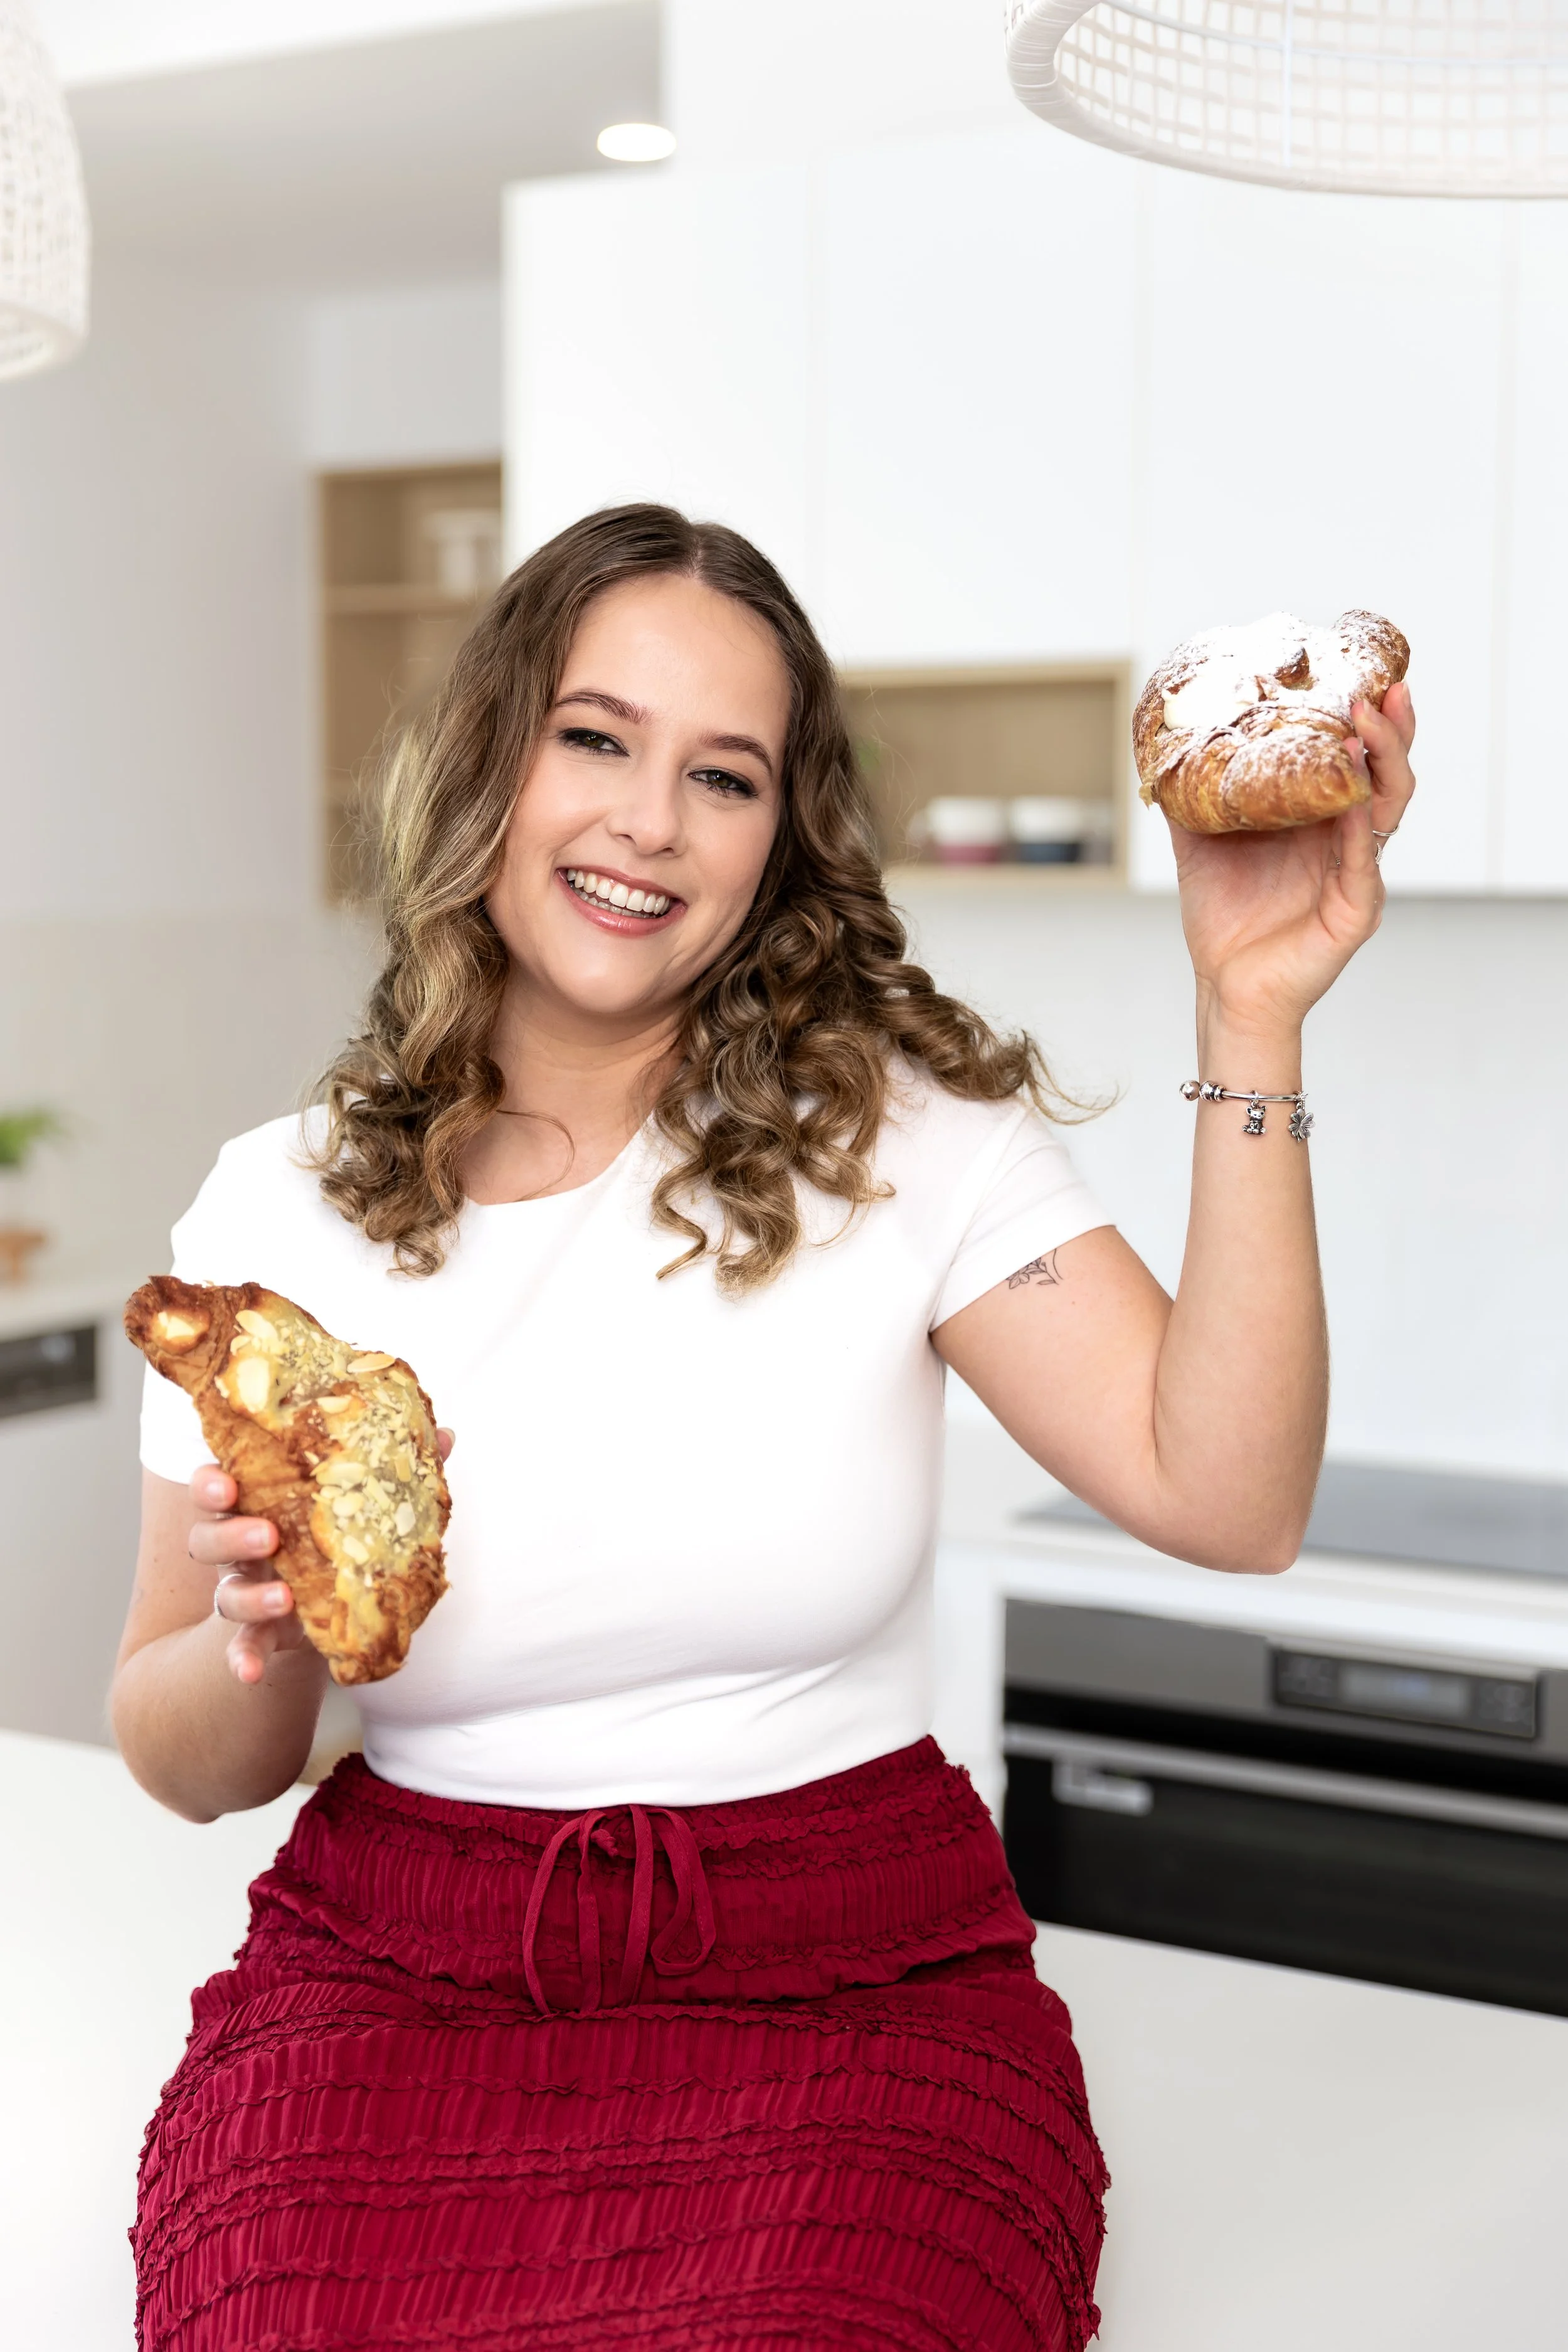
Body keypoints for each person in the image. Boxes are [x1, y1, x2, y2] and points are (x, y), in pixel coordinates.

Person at [114, 504, 1416, 2352]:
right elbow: (180, 1748)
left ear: (775, 842)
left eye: (721, 775)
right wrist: (258, 1631)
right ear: (490, 756)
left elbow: (1231, 1498)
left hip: (845, 1971)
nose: (648, 818)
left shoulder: (898, 1140)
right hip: (396, 1970)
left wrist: (1252, 1014)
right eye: (595, 737)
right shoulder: (279, 1212)